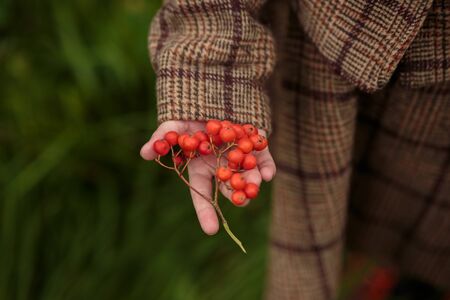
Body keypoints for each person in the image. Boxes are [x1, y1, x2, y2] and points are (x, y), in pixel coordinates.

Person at [140, 0, 450, 299]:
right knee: (354, 203)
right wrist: (208, 66)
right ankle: (387, 272)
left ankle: (409, 274)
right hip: (338, 43)